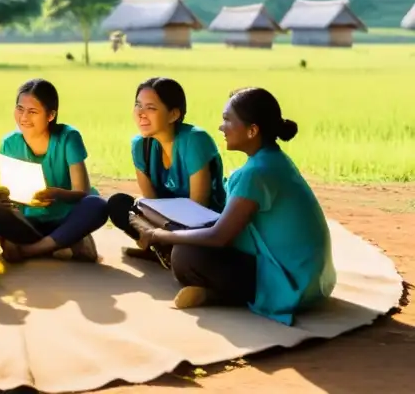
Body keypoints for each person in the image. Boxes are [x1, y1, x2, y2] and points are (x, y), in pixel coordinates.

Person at [128, 87, 337, 324]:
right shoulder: (272, 160)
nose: (221, 127)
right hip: (313, 280)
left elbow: (219, 237)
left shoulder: (255, 173)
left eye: (227, 120)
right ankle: (212, 290)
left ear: (252, 130)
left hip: (291, 284)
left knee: (185, 255)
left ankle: (219, 295)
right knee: (181, 237)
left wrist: (158, 235)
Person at [107, 77, 227, 259]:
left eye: (151, 108)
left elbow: (198, 208)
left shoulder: (195, 140)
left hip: (202, 224)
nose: (141, 113)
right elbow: (152, 203)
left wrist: (160, 231)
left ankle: (162, 248)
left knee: (188, 238)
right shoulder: (140, 145)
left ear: (173, 114)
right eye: (138, 105)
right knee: (119, 204)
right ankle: (164, 249)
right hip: (163, 221)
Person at [0, 79, 108, 263]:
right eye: (20, 109)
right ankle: (62, 243)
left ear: (50, 115)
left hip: (65, 217)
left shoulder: (68, 138)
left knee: (98, 205)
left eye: (32, 112)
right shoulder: (9, 143)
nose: (23, 117)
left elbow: (82, 192)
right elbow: (11, 195)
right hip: (30, 220)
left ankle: (33, 250)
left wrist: (56, 193)